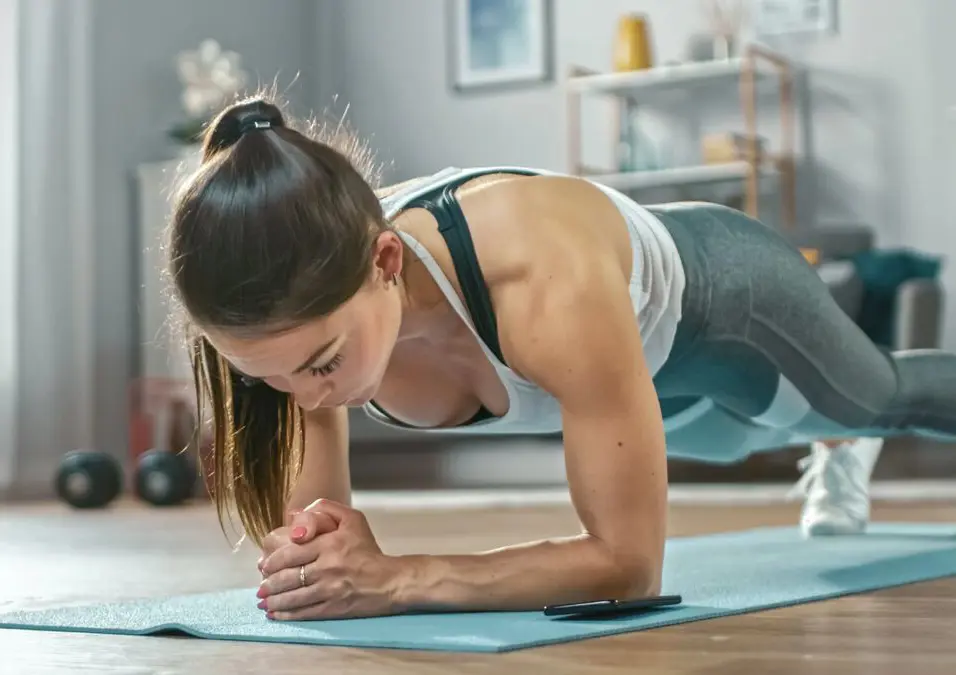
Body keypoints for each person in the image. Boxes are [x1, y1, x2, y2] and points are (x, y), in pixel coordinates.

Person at [165, 96, 956, 621]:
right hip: (643, 387)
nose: (304, 402)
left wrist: (401, 577)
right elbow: (324, 546)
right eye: (266, 377)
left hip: (732, 306)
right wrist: (318, 564)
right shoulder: (291, 315)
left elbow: (629, 566)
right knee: (742, 439)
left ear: (386, 262)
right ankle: (832, 444)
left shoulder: (538, 273)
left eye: (323, 365)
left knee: (873, 397)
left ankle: (845, 431)